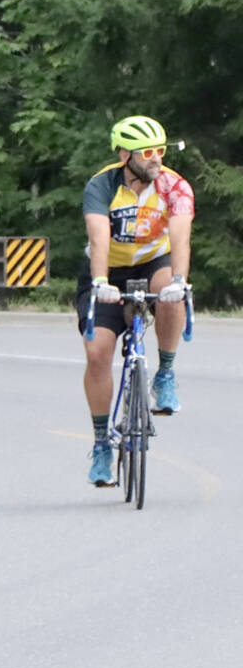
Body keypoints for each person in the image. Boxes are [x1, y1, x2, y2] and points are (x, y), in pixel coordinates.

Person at [77, 114, 193, 486]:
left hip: (154, 261)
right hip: (108, 268)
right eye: (147, 152)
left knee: (171, 295)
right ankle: (100, 445)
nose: (156, 159)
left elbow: (180, 239)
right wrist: (99, 281)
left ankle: (166, 373)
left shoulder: (174, 186)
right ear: (125, 155)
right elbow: (99, 238)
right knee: (97, 355)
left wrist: (178, 281)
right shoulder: (102, 185)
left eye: (161, 150)